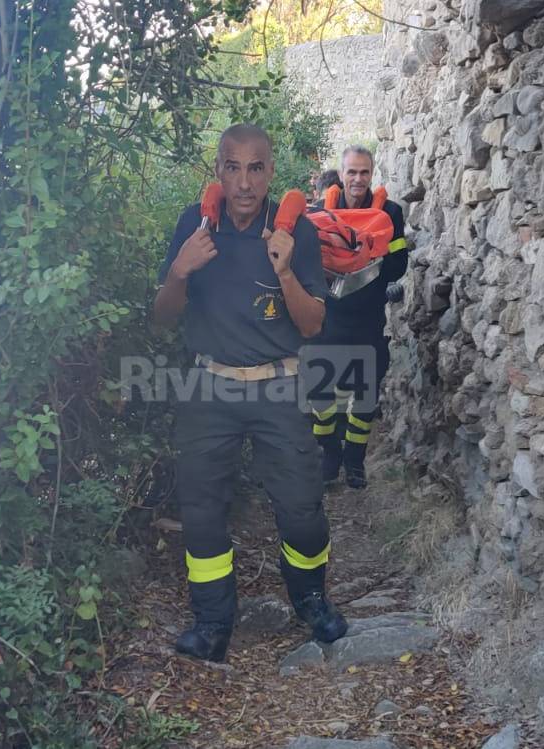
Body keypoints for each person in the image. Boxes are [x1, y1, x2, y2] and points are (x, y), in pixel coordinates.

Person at [153, 124, 347, 662]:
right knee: (201, 508)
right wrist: (179, 270)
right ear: (217, 171)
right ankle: (213, 623)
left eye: (255, 168)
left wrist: (284, 271)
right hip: (207, 385)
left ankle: (311, 600)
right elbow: (162, 317)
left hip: (277, 386)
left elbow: (311, 326)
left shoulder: (296, 232)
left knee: (302, 507)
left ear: (269, 173)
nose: (243, 182)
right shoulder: (193, 226)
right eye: (232, 167)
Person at [311, 145, 408, 489]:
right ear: (340, 174)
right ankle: (328, 456)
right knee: (323, 395)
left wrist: (367, 258)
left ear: (372, 174)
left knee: (365, 395)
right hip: (328, 314)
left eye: (364, 172)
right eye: (351, 172)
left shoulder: (391, 212)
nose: (357, 179)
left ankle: (354, 461)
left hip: (368, 314)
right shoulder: (320, 211)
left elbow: (399, 265)